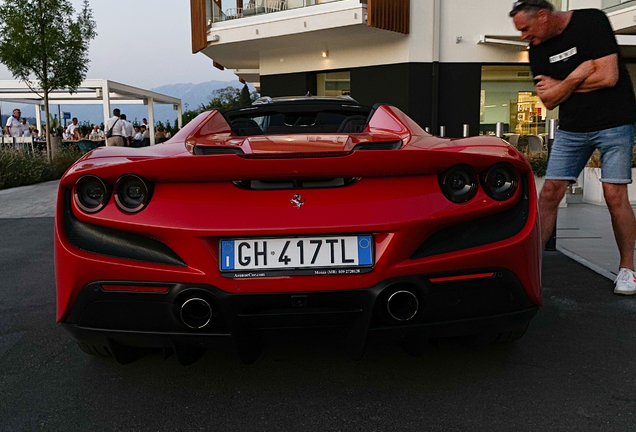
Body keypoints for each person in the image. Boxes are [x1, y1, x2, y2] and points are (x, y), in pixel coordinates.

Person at [511, 1, 636, 295]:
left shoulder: (592, 21)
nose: (523, 36)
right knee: (550, 193)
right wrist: (580, 72)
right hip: (571, 129)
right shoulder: (537, 48)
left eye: (526, 28)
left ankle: (628, 270)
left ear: (543, 16)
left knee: (613, 194)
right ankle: (532, 268)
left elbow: (609, 76)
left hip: (614, 124)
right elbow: (549, 100)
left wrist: (561, 84)